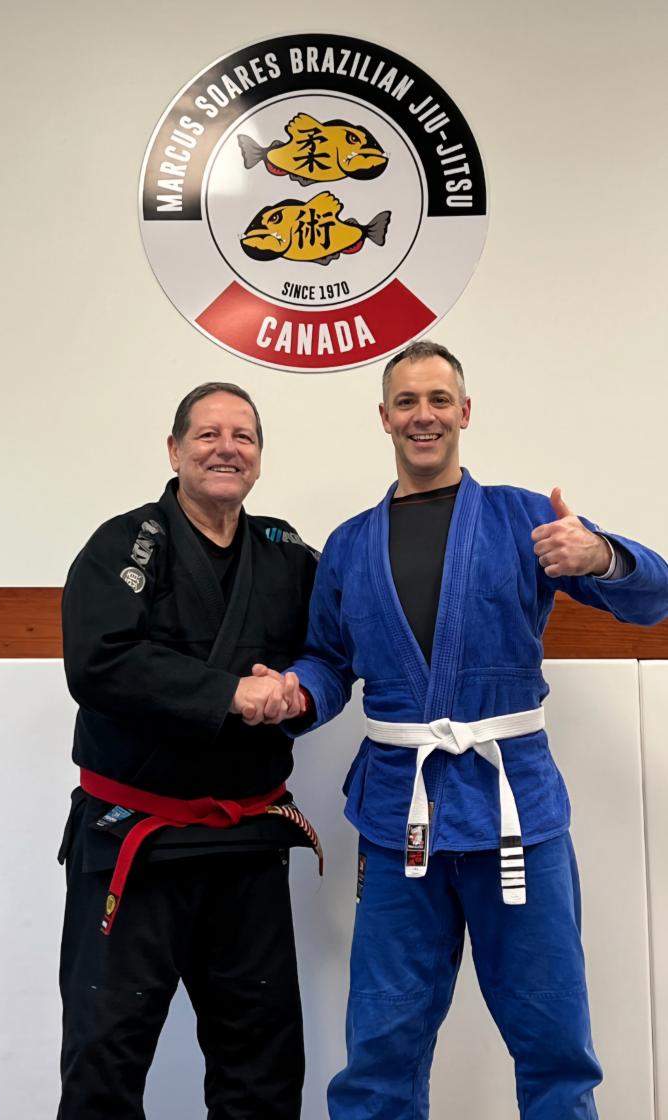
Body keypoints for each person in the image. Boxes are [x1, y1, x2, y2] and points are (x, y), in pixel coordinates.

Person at [254, 340, 668, 1119]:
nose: (424, 416)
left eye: (439, 399)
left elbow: (654, 599)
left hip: (516, 812)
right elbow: (329, 663)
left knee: (554, 1044)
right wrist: (295, 692)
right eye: (407, 401)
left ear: (465, 412)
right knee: (381, 1047)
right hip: (397, 818)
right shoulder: (348, 546)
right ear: (384, 418)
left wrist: (601, 554)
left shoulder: (523, 519)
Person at [57, 382, 319, 1120]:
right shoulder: (123, 545)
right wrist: (228, 693)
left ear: (259, 456)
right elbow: (98, 662)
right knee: (105, 1054)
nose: (226, 449)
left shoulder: (286, 553)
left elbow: (334, 644)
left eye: (244, 436)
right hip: (136, 842)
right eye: (207, 435)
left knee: (263, 1061)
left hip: (247, 844)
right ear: (174, 451)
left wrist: (300, 689)